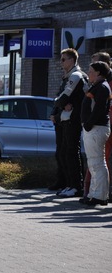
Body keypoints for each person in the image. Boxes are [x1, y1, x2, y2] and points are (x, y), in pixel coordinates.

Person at [52, 48, 88, 198]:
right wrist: (60, 105)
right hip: (66, 119)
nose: (61, 62)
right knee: (65, 152)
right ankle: (69, 184)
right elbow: (61, 99)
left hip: (73, 119)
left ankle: (76, 186)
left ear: (72, 60)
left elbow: (63, 97)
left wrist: (59, 102)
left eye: (63, 59)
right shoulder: (68, 76)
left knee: (71, 152)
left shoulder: (76, 75)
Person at [79, 61, 112, 206]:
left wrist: (88, 123)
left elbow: (99, 108)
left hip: (97, 128)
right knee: (93, 163)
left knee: (97, 162)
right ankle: (94, 194)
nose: (89, 73)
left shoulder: (102, 87)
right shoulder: (98, 86)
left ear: (99, 72)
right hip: (94, 128)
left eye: (91, 70)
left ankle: (101, 196)